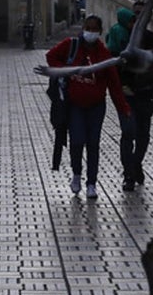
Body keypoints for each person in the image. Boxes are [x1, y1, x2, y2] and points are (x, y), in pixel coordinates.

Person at [44, 14, 131, 199]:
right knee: (77, 141)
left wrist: (123, 108)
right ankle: (76, 174)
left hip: (96, 106)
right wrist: (66, 71)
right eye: (88, 28)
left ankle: (91, 183)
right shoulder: (72, 45)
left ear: (99, 32)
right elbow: (50, 56)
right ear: (83, 27)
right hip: (75, 105)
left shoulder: (103, 54)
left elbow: (114, 85)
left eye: (94, 29)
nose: (90, 32)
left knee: (93, 144)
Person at [110, 1, 153, 191]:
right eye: (135, 15)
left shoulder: (152, 38)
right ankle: (128, 175)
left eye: (141, 15)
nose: (138, 19)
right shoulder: (121, 38)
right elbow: (112, 65)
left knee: (143, 136)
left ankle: (136, 164)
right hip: (127, 95)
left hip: (145, 95)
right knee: (128, 133)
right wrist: (122, 86)